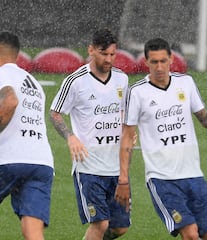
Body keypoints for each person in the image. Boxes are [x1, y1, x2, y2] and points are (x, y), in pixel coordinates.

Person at [115, 38, 207, 240]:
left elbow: (205, 120)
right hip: (162, 179)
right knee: (190, 234)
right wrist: (123, 179)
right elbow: (127, 138)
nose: (159, 67)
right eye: (154, 62)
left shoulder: (185, 83)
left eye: (163, 61)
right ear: (146, 62)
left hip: (193, 175)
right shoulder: (137, 92)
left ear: (171, 59)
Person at [49, 29, 130, 240]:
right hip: (88, 168)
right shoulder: (75, 82)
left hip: (115, 167)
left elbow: (123, 112)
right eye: (104, 54)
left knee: (120, 227)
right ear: (91, 50)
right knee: (100, 223)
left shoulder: (122, 79)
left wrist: (128, 131)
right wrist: (70, 136)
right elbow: (55, 113)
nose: (109, 59)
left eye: (113, 54)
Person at [0, 31, 54, 240]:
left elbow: (10, 101)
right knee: (33, 232)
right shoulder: (33, 82)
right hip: (40, 163)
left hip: (8, 159)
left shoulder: (2, 74)